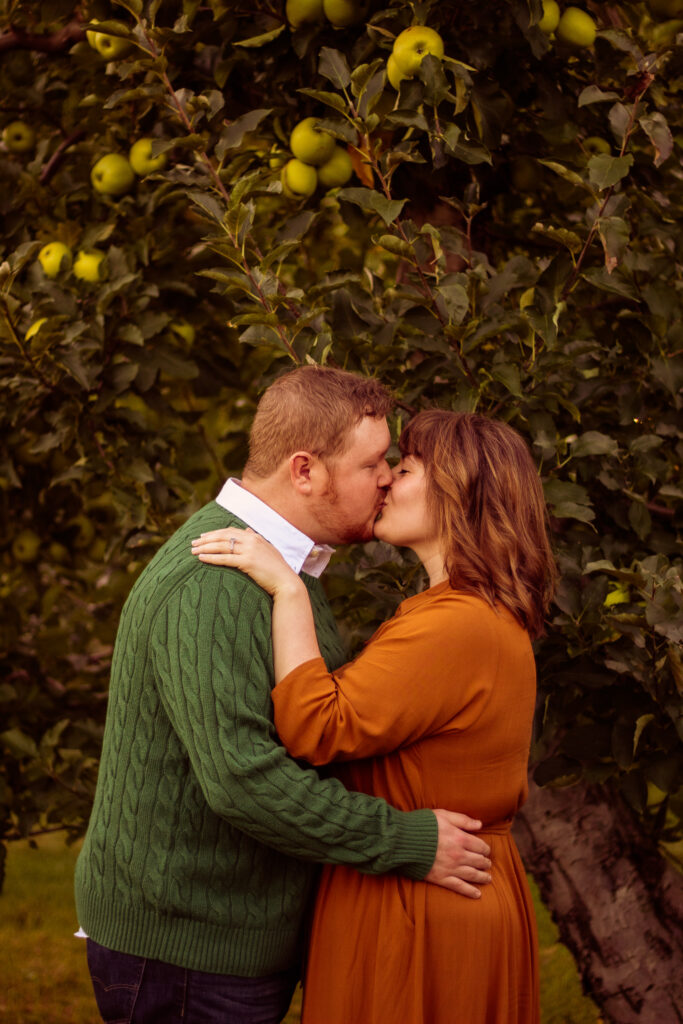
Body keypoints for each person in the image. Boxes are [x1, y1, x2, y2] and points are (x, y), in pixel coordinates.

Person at [74, 368, 493, 1024]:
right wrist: (407, 841)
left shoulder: (278, 569)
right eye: (370, 463)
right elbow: (244, 780)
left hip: (226, 935)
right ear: (305, 471)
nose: (386, 477)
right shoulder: (212, 583)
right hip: (188, 947)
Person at [191, 408, 558, 1024]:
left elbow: (318, 728)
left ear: (458, 491)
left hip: (422, 903)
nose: (384, 480)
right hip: (435, 887)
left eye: (404, 467)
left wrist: (287, 590)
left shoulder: (456, 623)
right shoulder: (463, 612)